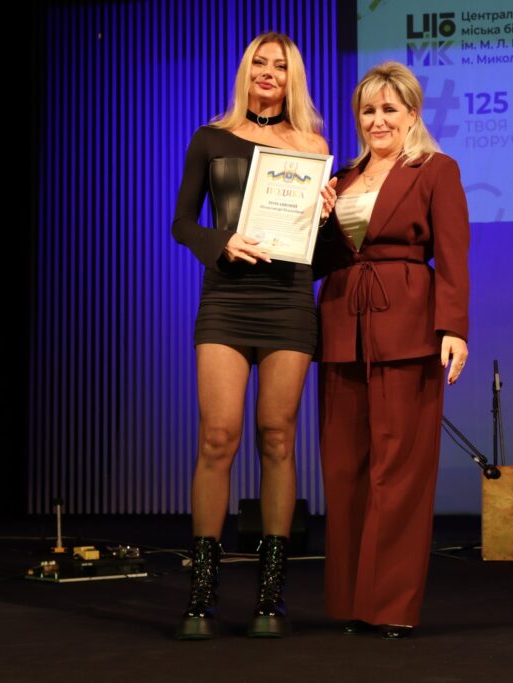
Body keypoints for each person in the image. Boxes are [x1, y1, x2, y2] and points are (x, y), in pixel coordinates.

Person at [171, 32, 337, 640]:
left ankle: (271, 595)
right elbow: (182, 223)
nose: (268, 72)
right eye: (259, 63)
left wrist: (325, 218)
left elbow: (317, 256)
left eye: (280, 66)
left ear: (293, 79)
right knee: (218, 437)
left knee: (277, 437)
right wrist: (222, 242)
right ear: (245, 72)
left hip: (288, 301)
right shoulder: (210, 138)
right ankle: (202, 593)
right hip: (226, 298)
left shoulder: (313, 146)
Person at [314, 61, 470, 639]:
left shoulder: (436, 170)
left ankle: (391, 605)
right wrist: (319, 221)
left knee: (399, 471)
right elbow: (320, 262)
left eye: (389, 109)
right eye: (368, 110)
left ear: (411, 114)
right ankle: (352, 602)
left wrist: (453, 328)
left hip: (408, 326)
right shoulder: (341, 178)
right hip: (341, 327)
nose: (377, 120)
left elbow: (453, 254)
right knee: (345, 470)